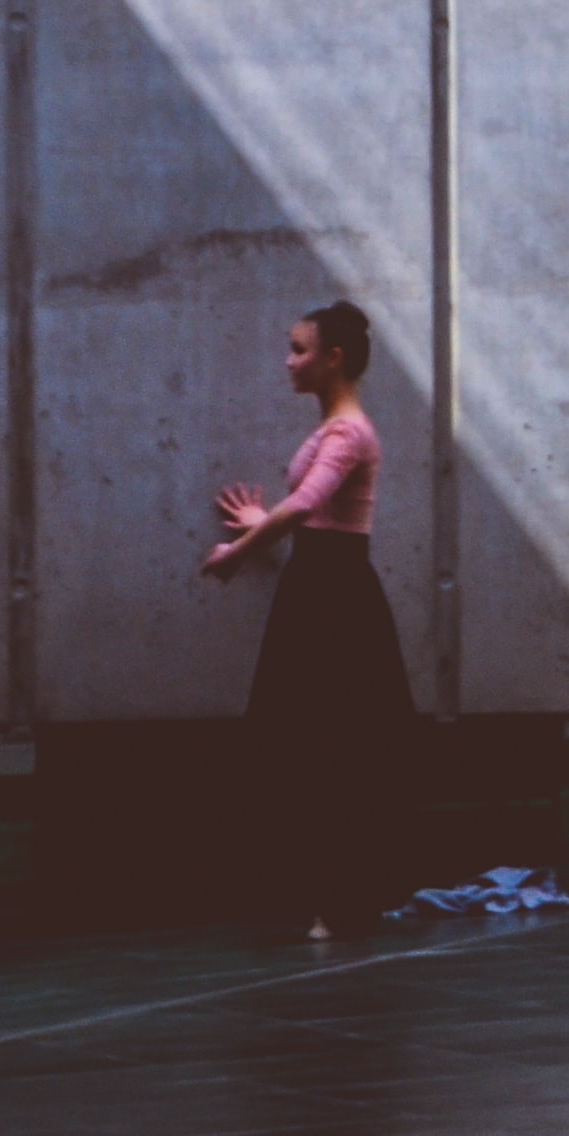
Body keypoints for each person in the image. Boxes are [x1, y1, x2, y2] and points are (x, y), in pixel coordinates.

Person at [199, 301, 417, 941]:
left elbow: (306, 505)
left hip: (335, 596)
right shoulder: (332, 429)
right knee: (309, 741)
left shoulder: (348, 432)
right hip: (319, 585)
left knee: (334, 745)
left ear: (334, 358)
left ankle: (341, 902)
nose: (290, 361)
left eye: (299, 349)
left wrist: (237, 553)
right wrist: (255, 525)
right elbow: (311, 512)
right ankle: (319, 895)